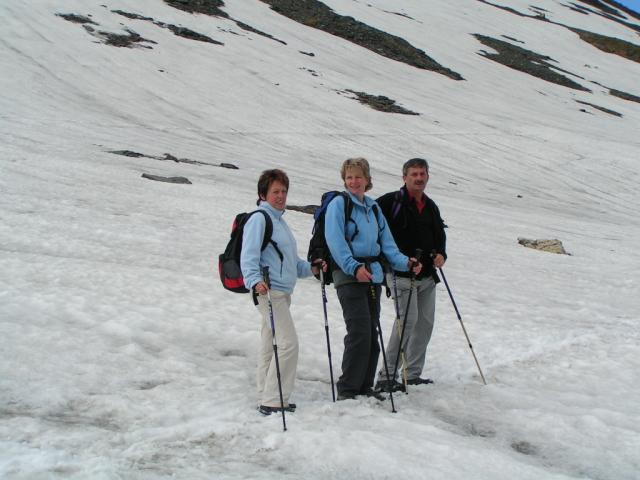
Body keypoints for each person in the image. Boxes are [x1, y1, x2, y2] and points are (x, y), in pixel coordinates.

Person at [324, 157, 421, 401]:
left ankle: (364, 387)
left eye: (358, 176)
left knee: (371, 330)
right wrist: (353, 267)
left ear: (367, 179)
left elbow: (387, 246)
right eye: (349, 177)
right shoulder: (339, 204)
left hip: (373, 275)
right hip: (348, 275)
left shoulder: (373, 208)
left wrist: (406, 262)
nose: (353, 181)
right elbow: (335, 242)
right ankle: (348, 389)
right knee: (359, 331)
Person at [241, 169, 323, 415]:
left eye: (283, 191)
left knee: (271, 344)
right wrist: (255, 281)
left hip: (281, 292)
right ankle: (274, 400)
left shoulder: (279, 222)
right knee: (289, 344)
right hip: (268, 291)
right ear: (263, 194)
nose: (280, 196)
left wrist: (312, 269)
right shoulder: (259, 219)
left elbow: (292, 264)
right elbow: (249, 256)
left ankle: (264, 394)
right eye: (275, 191)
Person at [374, 158, 447, 392]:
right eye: (414, 174)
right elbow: (370, 227)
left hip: (427, 276)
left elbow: (439, 236)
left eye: (422, 174)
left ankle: (412, 373)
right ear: (404, 177)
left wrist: (441, 255)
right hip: (400, 274)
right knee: (406, 322)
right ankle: (387, 375)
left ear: (427, 177)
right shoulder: (389, 202)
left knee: (424, 324)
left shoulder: (430, 206)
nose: (418, 178)